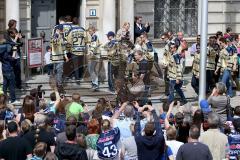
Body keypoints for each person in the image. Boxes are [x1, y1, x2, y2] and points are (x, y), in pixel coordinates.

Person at [65, 18, 90, 83]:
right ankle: (81, 76)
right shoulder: (83, 30)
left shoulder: (71, 30)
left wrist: (67, 50)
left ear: (72, 23)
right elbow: (86, 40)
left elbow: (69, 41)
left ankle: (77, 79)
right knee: (80, 64)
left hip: (74, 51)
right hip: (81, 50)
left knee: (75, 65)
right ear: (78, 22)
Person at [0, 36, 18, 104]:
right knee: (11, 85)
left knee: (5, 85)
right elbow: (12, 59)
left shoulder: (1, 53)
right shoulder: (5, 54)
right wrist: (15, 51)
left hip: (4, 70)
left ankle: (4, 100)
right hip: (9, 70)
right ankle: (13, 99)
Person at [88, 26, 101, 90]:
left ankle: (95, 84)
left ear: (93, 31)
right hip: (96, 55)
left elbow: (93, 44)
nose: (89, 32)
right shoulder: (95, 36)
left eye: (90, 31)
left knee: (91, 69)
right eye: (89, 31)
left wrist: (91, 51)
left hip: (94, 55)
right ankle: (95, 84)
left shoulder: (94, 36)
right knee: (92, 70)